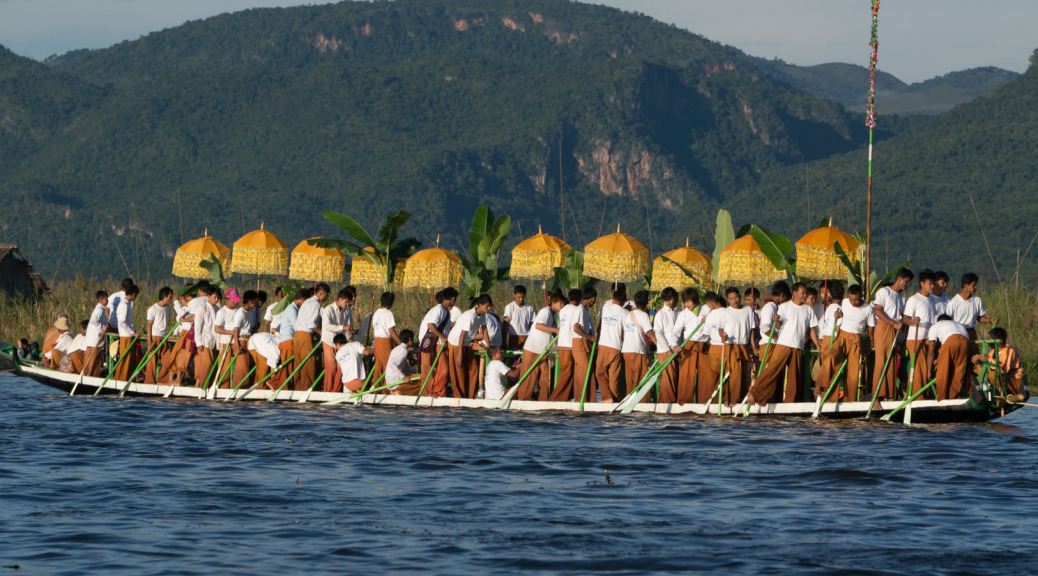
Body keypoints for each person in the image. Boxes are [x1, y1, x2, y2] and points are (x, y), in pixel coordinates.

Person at [747, 282, 820, 405]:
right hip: (783, 343)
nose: (804, 295)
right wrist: (776, 321)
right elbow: (779, 325)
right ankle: (755, 393)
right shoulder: (785, 306)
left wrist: (817, 344)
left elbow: (811, 328)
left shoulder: (808, 309)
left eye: (805, 293)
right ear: (795, 293)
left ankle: (790, 403)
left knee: (794, 378)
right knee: (772, 369)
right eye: (802, 293)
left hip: (798, 345)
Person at [818, 284, 875, 402]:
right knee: (830, 358)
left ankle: (850, 400)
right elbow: (840, 315)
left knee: (853, 375)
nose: (853, 302)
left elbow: (870, 327)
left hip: (856, 340)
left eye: (856, 300)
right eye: (851, 299)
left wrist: (871, 340)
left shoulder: (868, 309)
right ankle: (821, 385)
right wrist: (837, 316)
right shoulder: (844, 302)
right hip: (842, 337)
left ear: (861, 297)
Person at [873, 268, 913, 401]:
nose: (907, 285)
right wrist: (892, 323)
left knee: (891, 362)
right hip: (884, 328)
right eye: (906, 282)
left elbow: (903, 316)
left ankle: (888, 395)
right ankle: (877, 395)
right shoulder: (884, 292)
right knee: (881, 361)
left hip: (895, 331)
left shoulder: (901, 297)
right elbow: (878, 311)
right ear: (899, 279)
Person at [516, 292, 564, 401]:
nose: (562, 305)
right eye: (561, 303)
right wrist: (555, 330)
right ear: (554, 303)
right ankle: (523, 400)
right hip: (533, 349)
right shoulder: (545, 312)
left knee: (545, 378)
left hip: (543, 351)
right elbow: (538, 325)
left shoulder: (555, 315)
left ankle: (543, 400)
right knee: (529, 377)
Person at [448, 294, 491, 399]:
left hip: (467, 343)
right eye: (487, 306)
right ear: (479, 305)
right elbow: (462, 335)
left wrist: (489, 347)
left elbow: (484, 330)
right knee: (459, 370)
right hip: (456, 343)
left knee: (473, 368)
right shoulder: (470, 316)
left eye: (490, 306)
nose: (489, 309)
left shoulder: (483, 315)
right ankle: (459, 397)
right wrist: (459, 354)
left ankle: (471, 396)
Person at [719, 286, 757, 406]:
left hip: (744, 346)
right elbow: (720, 329)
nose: (734, 300)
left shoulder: (748, 310)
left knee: (745, 374)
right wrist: (722, 336)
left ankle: (741, 399)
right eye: (731, 298)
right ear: (728, 300)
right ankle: (731, 399)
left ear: (740, 297)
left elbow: (751, 330)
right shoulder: (725, 312)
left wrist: (753, 345)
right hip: (731, 346)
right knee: (734, 374)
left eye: (736, 297)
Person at [902, 270, 937, 396]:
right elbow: (905, 319)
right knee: (918, 369)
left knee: (928, 369)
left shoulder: (932, 299)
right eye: (930, 284)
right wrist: (913, 321)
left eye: (933, 284)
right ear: (922, 284)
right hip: (915, 338)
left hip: (929, 339)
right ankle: (916, 397)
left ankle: (927, 394)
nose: (932, 286)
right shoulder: (914, 299)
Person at [417, 288, 457, 398]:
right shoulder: (438, 310)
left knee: (442, 371)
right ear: (452, 299)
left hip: (439, 345)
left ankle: (437, 392)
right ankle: (429, 393)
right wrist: (442, 337)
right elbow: (430, 325)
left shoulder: (446, 312)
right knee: (429, 372)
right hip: (430, 344)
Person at [672, 288, 708, 404]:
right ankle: (684, 401)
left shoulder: (707, 309)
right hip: (688, 344)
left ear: (695, 300)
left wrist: (708, 321)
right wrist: (674, 344)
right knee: (687, 373)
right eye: (685, 302)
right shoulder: (683, 314)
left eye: (689, 301)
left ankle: (704, 401)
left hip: (704, 345)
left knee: (705, 374)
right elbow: (675, 332)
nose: (686, 304)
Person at [946, 273, 999, 352]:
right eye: (973, 285)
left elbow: (979, 317)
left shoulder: (977, 300)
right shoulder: (954, 302)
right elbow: (947, 321)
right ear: (966, 285)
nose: (975, 287)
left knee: (974, 358)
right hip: (958, 334)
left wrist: (989, 320)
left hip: (971, 333)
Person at [293, 282, 329, 391]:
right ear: (321, 293)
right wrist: (323, 333)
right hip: (305, 335)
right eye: (326, 296)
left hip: (297, 335)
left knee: (299, 363)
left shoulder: (307, 302)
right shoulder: (315, 304)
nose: (326, 298)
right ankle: (306, 389)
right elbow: (311, 324)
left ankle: (298, 387)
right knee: (308, 364)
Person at [621, 290, 656, 400]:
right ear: (646, 303)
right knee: (642, 378)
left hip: (626, 350)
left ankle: (629, 400)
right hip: (637, 350)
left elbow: (624, 333)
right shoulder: (644, 316)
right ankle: (642, 402)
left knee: (630, 379)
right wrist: (660, 346)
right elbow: (650, 333)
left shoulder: (628, 315)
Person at [974, 327, 1028, 398]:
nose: (988, 341)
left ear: (997, 341)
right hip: (1002, 381)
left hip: (1014, 383)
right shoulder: (992, 352)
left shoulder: (1010, 350)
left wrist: (988, 359)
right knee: (978, 376)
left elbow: (1004, 370)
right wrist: (977, 362)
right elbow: (984, 369)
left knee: (992, 374)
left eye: (990, 339)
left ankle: (1002, 395)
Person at [595, 287, 627, 402]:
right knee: (614, 376)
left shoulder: (605, 307)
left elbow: (599, 324)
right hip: (616, 347)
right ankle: (615, 398)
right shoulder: (626, 313)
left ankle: (607, 397)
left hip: (604, 345)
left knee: (600, 372)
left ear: (613, 300)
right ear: (624, 302)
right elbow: (624, 332)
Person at [322, 286, 357, 393]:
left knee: (341, 367)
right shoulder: (329, 309)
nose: (347, 305)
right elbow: (327, 326)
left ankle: (336, 391)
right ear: (340, 299)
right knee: (331, 368)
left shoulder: (346, 310)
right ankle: (327, 391)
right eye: (346, 302)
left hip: (341, 343)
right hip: (329, 341)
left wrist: (349, 330)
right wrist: (343, 327)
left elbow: (346, 325)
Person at [928, 315, 970, 401]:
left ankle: (941, 398)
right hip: (965, 341)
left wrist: (928, 372)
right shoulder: (957, 324)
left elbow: (931, 352)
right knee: (958, 370)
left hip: (950, 340)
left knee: (943, 370)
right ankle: (954, 397)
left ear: (939, 321)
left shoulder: (935, 326)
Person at [652, 287, 680, 403]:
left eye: (670, 299)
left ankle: (661, 402)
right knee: (668, 379)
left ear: (675, 298)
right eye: (666, 300)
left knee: (674, 378)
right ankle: (669, 402)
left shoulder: (679, 312)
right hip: (665, 351)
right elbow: (658, 333)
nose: (668, 302)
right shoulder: (660, 314)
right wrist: (667, 349)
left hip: (677, 350)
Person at [275, 288, 307, 388]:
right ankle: (282, 386)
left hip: (288, 340)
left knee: (289, 366)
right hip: (287, 340)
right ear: (301, 299)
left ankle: (282, 385)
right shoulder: (292, 310)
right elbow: (296, 325)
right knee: (287, 367)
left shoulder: (294, 309)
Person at [699, 291, 727, 404]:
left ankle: (717, 400)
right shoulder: (728, 311)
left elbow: (706, 333)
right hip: (723, 347)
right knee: (724, 374)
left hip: (717, 347)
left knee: (715, 375)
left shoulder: (711, 315)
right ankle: (721, 399)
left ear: (711, 303)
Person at [571, 287, 598, 402]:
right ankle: (582, 399)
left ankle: (585, 398)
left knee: (584, 371)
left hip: (584, 343)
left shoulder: (585, 311)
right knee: (585, 371)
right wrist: (591, 337)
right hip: (579, 342)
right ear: (592, 299)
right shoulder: (580, 309)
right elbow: (576, 328)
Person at [191, 284, 220, 387]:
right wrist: (198, 342)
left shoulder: (218, 309)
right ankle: (204, 387)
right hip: (204, 341)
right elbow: (197, 327)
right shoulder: (201, 308)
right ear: (209, 296)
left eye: (217, 298)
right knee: (206, 365)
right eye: (214, 297)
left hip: (214, 342)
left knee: (213, 365)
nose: (216, 300)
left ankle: (211, 386)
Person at [144, 286, 174, 384]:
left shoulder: (168, 308)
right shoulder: (153, 309)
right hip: (154, 336)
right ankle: (149, 383)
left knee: (168, 361)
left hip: (164, 337)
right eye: (170, 296)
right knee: (152, 362)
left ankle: (162, 380)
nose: (171, 299)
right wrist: (149, 341)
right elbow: (149, 325)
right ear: (164, 296)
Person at [212, 287, 241, 387]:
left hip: (237, 342)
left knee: (239, 367)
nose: (235, 303)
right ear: (227, 300)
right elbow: (217, 329)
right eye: (233, 301)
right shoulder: (222, 312)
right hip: (225, 343)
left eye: (236, 301)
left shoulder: (239, 310)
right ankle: (223, 387)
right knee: (224, 367)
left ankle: (237, 386)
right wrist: (231, 333)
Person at [113, 284, 142, 382]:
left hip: (129, 335)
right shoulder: (124, 305)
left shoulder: (128, 304)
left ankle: (126, 378)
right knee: (125, 359)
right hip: (126, 336)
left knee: (129, 359)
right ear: (133, 294)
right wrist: (133, 332)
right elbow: (122, 322)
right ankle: (122, 379)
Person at [385, 329, 421, 395]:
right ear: (409, 340)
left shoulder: (397, 349)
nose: (413, 342)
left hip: (391, 381)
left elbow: (404, 366)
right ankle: (396, 392)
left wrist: (410, 373)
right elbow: (393, 364)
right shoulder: (403, 350)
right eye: (412, 339)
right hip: (395, 382)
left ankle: (396, 391)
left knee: (420, 377)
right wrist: (403, 377)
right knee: (421, 385)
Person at [83, 290, 110, 377]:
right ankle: (91, 375)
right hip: (95, 339)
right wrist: (103, 327)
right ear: (101, 299)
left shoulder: (101, 309)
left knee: (90, 358)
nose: (107, 301)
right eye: (106, 299)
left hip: (93, 339)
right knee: (94, 359)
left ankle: (87, 373)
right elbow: (93, 321)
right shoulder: (99, 309)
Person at [503, 285, 535, 350]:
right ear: (514, 295)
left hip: (527, 337)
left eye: (523, 297)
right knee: (514, 358)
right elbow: (505, 325)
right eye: (519, 297)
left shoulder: (529, 308)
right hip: (514, 338)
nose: (521, 299)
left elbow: (532, 325)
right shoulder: (509, 307)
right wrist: (504, 341)